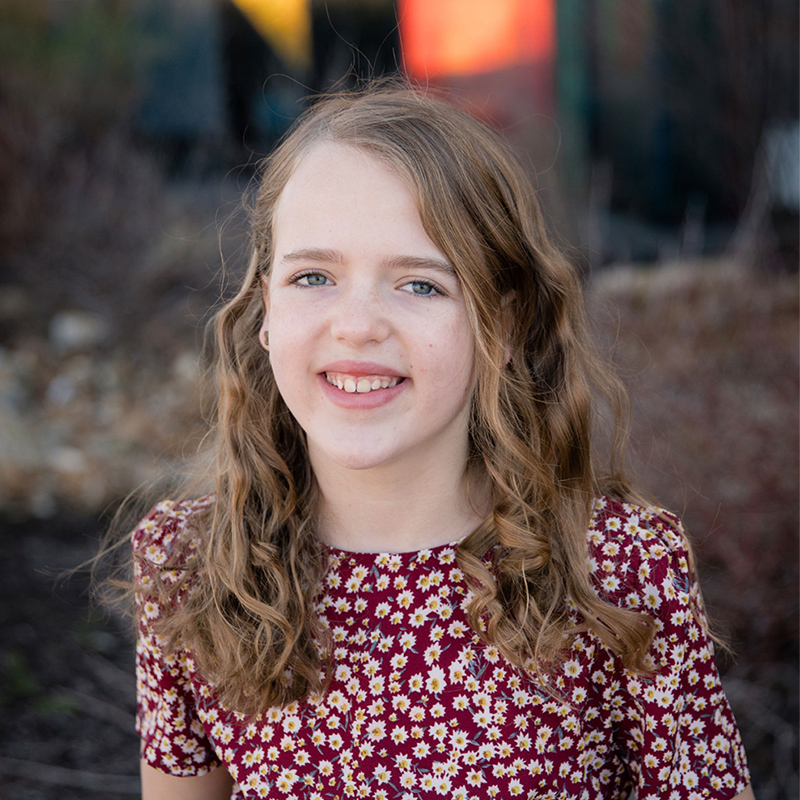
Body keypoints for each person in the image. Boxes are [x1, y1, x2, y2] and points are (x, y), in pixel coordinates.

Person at [131, 83, 754, 799]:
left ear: (503, 325)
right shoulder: (189, 569)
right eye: (313, 276)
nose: (357, 326)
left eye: (420, 285)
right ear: (266, 306)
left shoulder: (617, 572)